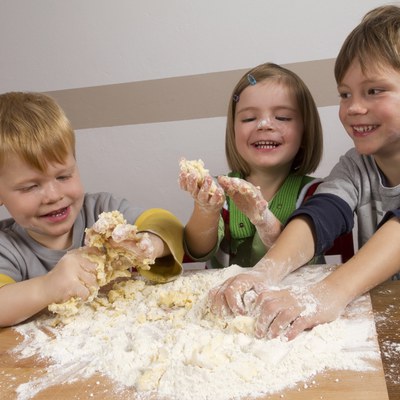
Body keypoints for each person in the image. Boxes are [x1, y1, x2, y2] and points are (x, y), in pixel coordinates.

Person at [209, 5, 400, 341]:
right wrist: (264, 272)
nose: (354, 107)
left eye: (374, 90)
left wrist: (327, 294)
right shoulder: (355, 166)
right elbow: (321, 214)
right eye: (345, 94)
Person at [0, 91, 184, 327]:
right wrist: (47, 288)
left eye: (64, 176)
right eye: (30, 187)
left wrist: (147, 245)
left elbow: (169, 226)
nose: (54, 196)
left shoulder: (101, 211)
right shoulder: (7, 248)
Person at [179, 62, 323, 268]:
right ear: (233, 132)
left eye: (282, 117)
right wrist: (206, 209)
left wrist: (265, 221)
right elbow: (198, 251)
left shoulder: (318, 194)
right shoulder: (220, 192)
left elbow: (300, 255)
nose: (264, 125)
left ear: (305, 131)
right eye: (249, 118)